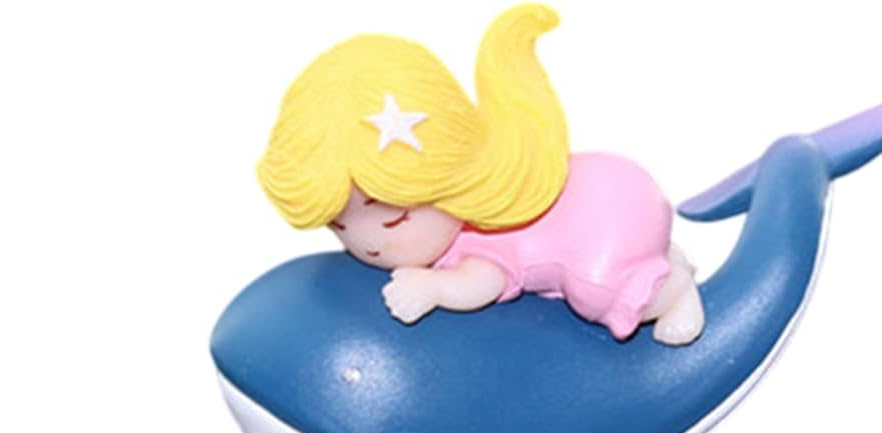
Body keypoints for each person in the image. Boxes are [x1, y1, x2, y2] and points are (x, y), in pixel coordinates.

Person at [256, 4, 705, 345]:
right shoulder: (442, 232)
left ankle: (676, 290)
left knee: (598, 291)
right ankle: (659, 257)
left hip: (609, 217)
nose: (368, 242)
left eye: (394, 220)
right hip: (614, 196)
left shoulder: (474, 237)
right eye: (340, 226)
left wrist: (436, 287)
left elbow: (484, 281)